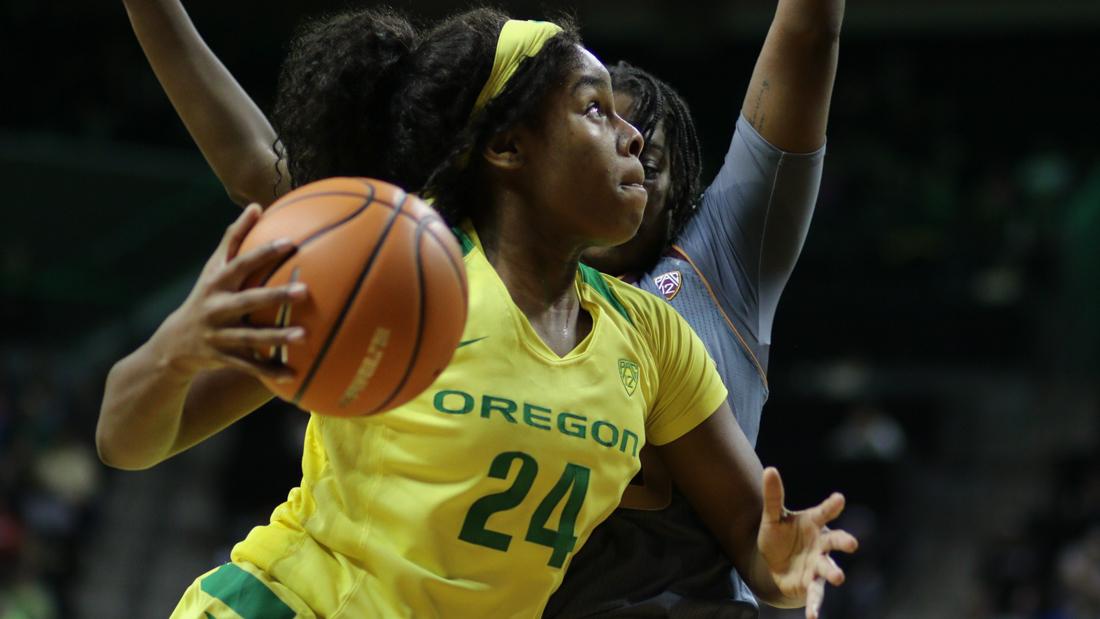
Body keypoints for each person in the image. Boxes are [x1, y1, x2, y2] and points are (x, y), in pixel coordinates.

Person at [111, 4, 855, 618]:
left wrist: (783, 564)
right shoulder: (399, 273)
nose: (631, 133)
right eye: (595, 110)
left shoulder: (651, 332)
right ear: (506, 147)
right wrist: (176, 349)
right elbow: (128, 438)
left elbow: (744, 530)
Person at [550, 1, 845, 615]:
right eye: (597, 145)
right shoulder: (510, 285)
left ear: (677, 183)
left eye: (646, 160)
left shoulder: (720, 258)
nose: (621, 159)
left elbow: (809, 35)